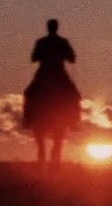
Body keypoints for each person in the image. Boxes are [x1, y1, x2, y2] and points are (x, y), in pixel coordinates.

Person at [23, 18, 80, 165]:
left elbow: (34, 58)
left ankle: (28, 119)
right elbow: (72, 58)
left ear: (48, 28)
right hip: (58, 73)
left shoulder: (41, 42)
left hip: (44, 73)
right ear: (56, 28)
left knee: (29, 93)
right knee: (74, 95)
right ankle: (74, 120)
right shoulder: (62, 41)